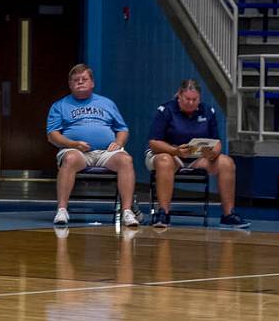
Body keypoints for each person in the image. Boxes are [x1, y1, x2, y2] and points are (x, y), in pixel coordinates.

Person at [147, 79, 250, 229]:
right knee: (164, 160)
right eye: (187, 99)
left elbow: (217, 141)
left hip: (198, 157)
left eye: (194, 100)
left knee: (226, 162)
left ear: (199, 99)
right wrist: (175, 151)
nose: (190, 103)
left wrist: (214, 152)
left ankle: (228, 214)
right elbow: (154, 142)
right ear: (179, 96)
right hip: (170, 154)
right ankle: (163, 213)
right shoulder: (166, 110)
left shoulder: (208, 111)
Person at [46, 64, 139, 228]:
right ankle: (62, 210)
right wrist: (72, 144)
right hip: (76, 151)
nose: (80, 82)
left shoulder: (107, 103)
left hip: (106, 153)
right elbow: (52, 135)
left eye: (84, 79)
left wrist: (119, 143)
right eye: (76, 80)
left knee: (126, 160)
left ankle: (127, 211)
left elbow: (122, 129)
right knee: (69, 158)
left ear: (92, 83)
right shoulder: (60, 105)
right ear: (70, 84)